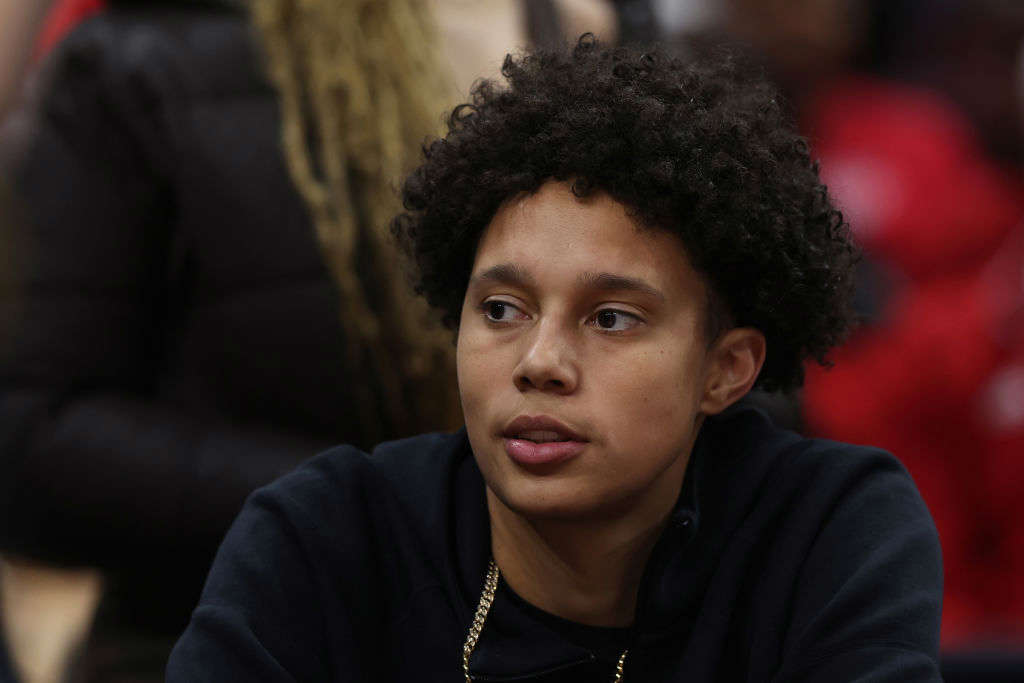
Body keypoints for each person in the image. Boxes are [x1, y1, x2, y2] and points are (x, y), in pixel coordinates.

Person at [166, 37, 943, 681]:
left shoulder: (825, 530)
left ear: (726, 368)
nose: (539, 362)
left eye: (610, 318)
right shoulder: (326, 535)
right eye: (502, 309)